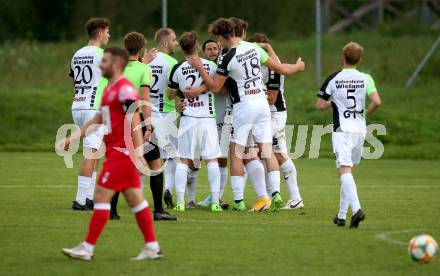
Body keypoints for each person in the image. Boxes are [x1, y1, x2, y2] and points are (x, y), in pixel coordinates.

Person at [187, 18, 305, 212]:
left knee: (236, 152)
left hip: (244, 106)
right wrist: (299, 67)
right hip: (262, 103)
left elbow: (216, 87)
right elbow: (281, 68)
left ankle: (238, 199)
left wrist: (200, 67)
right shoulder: (253, 48)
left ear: (219, 36)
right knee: (266, 151)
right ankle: (275, 193)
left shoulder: (227, 57)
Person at [59, 46, 162, 261]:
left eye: (104, 60)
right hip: (116, 152)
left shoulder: (124, 89)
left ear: (115, 63)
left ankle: (87, 248)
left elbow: (133, 118)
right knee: (136, 200)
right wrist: (72, 138)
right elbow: (97, 120)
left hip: (122, 154)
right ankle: (152, 247)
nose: (100, 64)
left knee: (100, 197)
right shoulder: (109, 88)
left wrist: (138, 153)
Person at [109, 32, 176, 221]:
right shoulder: (144, 69)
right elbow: (145, 98)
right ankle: (159, 211)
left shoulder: (117, 68)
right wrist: (148, 126)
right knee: (155, 164)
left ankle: (112, 212)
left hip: (117, 120)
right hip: (137, 119)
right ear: (141, 49)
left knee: (119, 165)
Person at [315, 42, 382, 228]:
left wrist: (331, 103)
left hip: (342, 130)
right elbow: (377, 101)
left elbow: (320, 105)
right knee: (348, 172)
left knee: (344, 171)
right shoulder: (366, 78)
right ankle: (342, 216)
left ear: (342, 57)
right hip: (360, 129)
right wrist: (365, 114)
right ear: (359, 59)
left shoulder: (334, 78)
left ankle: (357, 209)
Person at [247, 33, 304, 210]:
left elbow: (271, 98)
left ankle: (295, 198)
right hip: (264, 114)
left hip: (274, 113)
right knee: (264, 154)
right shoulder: (257, 63)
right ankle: (270, 197)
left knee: (276, 154)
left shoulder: (272, 66)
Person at [168, 32, 223, 212]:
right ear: (198, 46)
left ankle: (181, 203)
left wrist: (181, 96)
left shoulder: (178, 68)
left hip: (188, 119)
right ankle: (215, 202)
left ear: (182, 48)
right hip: (206, 118)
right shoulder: (211, 65)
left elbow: (171, 91)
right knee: (212, 160)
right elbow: (216, 86)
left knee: (183, 161)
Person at [69, 18, 110, 211]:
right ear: (101, 32)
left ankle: (89, 198)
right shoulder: (101, 54)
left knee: (95, 151)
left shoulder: (77, 53)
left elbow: (75, 81)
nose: (109, 35)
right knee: (91, 152)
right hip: (93, 107)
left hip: (78, 105)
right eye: (107, 32)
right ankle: (79, 200)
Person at [145, 28, 179, 209]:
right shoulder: (172, 62)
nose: (177, 43)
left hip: (146, 114)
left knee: (146, 156)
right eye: (174, 40)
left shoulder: (146, 60)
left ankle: (135, 192)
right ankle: (168, 189)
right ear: (165, 43)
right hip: (165, 113)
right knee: (172, 155)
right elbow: (173, 90)